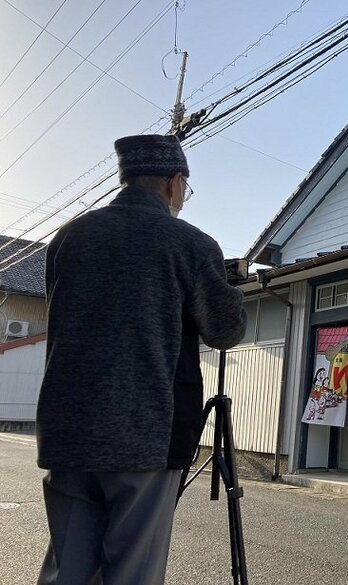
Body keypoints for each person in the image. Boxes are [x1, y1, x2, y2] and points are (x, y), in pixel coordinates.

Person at [35, 134, 247, 585]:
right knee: (133, 570)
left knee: (67, 569)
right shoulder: (189, 243)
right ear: (174, 182)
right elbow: (225, 330)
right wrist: (231, 291)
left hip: (68, 427)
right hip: (146, 430)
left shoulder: (69, 237)